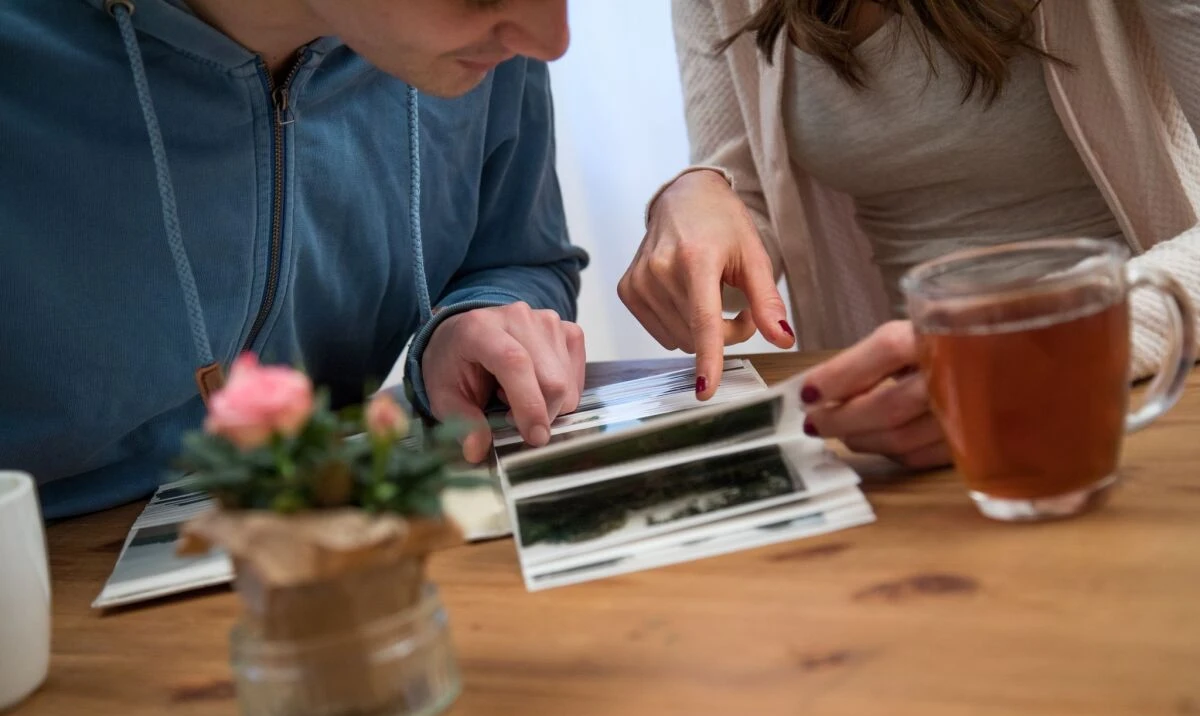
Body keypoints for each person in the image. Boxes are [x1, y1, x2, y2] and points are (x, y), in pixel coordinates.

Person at [0, 0, 589, 520]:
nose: (551, 40)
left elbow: (519, 258)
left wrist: (473, 320)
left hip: (338, 531)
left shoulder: (478, 51)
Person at [622, 0, 1200, 469]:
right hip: (901, 432)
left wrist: (1058, 352)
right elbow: (745, 186)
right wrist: (696, 195)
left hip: (1140, 398)